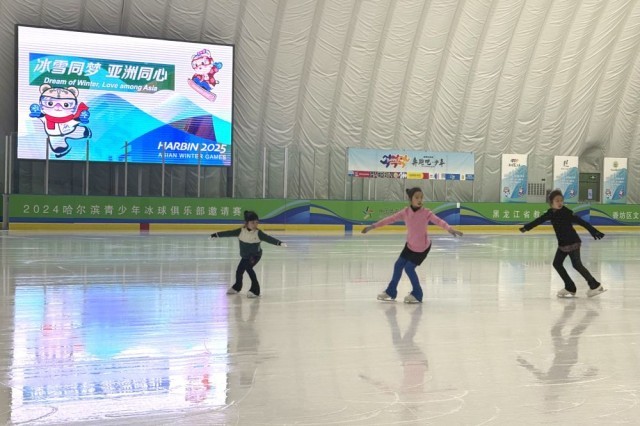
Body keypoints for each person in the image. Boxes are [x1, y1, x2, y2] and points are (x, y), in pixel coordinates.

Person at [361, 187, 463, 303]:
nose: (419, 200)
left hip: (422, 248)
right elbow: (390, 219)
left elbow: (439, 221)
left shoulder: (426, 213)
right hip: (410, 246)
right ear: (411, 199)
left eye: (421, 197)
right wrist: (372, 226)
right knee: (398, 265)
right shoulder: (405, 212)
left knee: (409, 268)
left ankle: (417, 293)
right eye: (417, 197)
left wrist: (450, 229)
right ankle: (391, 291)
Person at [519, 189, 606, 298]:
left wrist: (593, 231)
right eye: (557, 201)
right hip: (563, 244)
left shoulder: (566, 212)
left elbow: (581, 222)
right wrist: (526, 228)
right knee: (557, 264)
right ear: (551, 202)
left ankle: (595, 285)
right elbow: (539, 220)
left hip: (573, 242)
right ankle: (570, 286)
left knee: (577, 265)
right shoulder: (550, 213)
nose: (560, 203)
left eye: (561, 200)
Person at [210, 210, 287, 298]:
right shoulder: (240, 231)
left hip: (255, 255)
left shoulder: (258, 233)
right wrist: (216, 235)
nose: (255, 225)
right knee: (239, 271)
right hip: (245, 256)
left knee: (249, 268)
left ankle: (255, 290)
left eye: (256, 222)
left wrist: (279, 243)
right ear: (246, 223)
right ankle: (237, 287)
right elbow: (229, 233)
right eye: (252, 222)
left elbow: (268, 238)